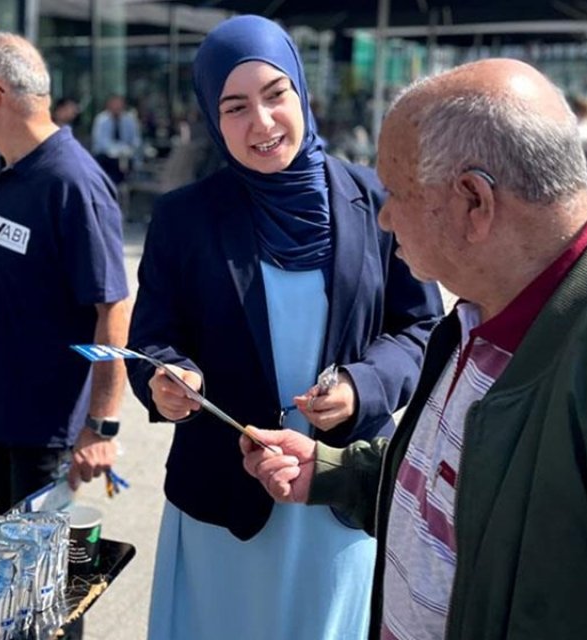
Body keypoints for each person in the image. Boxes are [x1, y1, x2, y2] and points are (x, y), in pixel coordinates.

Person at [241, 58, 587, 640]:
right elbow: (473, 493)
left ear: (473, 202)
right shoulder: (489, 307)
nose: (382, 218)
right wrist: (334, 473)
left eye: (395, 193)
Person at [127, 16, 443, 640]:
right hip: (226, 501)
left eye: (276, 95)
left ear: (301, 91)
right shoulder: (185, 218)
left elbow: (423, 326)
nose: (263, 123)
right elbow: (149, 339)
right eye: (236, 106)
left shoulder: (375, 199)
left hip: (339, 493)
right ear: (212, 119)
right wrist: (164, 380)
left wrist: (362, 384)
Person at [0, 33, 130, 519]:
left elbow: (115, 305)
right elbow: (5, 263)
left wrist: (101, 425)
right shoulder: (7, 166)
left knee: (39, 577)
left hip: (48, 426)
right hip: (1, 410)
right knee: (13, 555)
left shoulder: (72, 182)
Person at [91, 94, 141, 185]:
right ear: (108, 105)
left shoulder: (130, 120)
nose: (117, 107)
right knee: (105, 161)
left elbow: (136, 140)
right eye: (114, 104)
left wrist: (129, 149)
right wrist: (118, 149)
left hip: (125, 156)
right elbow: (100, 142)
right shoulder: (101, 120)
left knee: (125, 162)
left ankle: (118, 187)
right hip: (106, 155)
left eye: (119, 104)